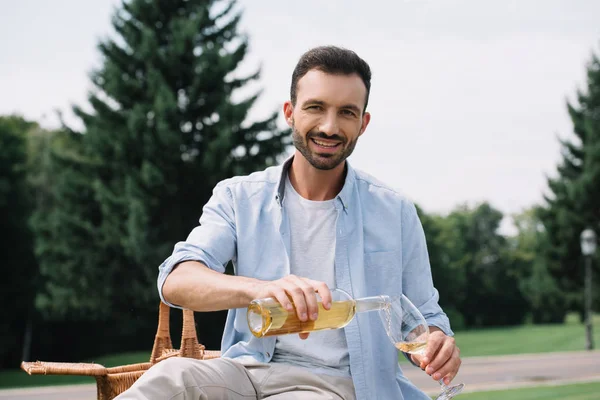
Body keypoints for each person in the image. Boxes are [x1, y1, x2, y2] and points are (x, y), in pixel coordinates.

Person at [116, 45, 461, 400]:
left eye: (346, 112)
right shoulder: (239, 197)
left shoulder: (395, 211)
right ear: (290, 113)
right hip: (244, 372)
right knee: (171, 376)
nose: (330, 126)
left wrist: (435, 340)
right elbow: (176, 281)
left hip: (334, 385)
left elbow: (426, 312)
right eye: (315, 107)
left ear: (363, 124)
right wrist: (259, 289)